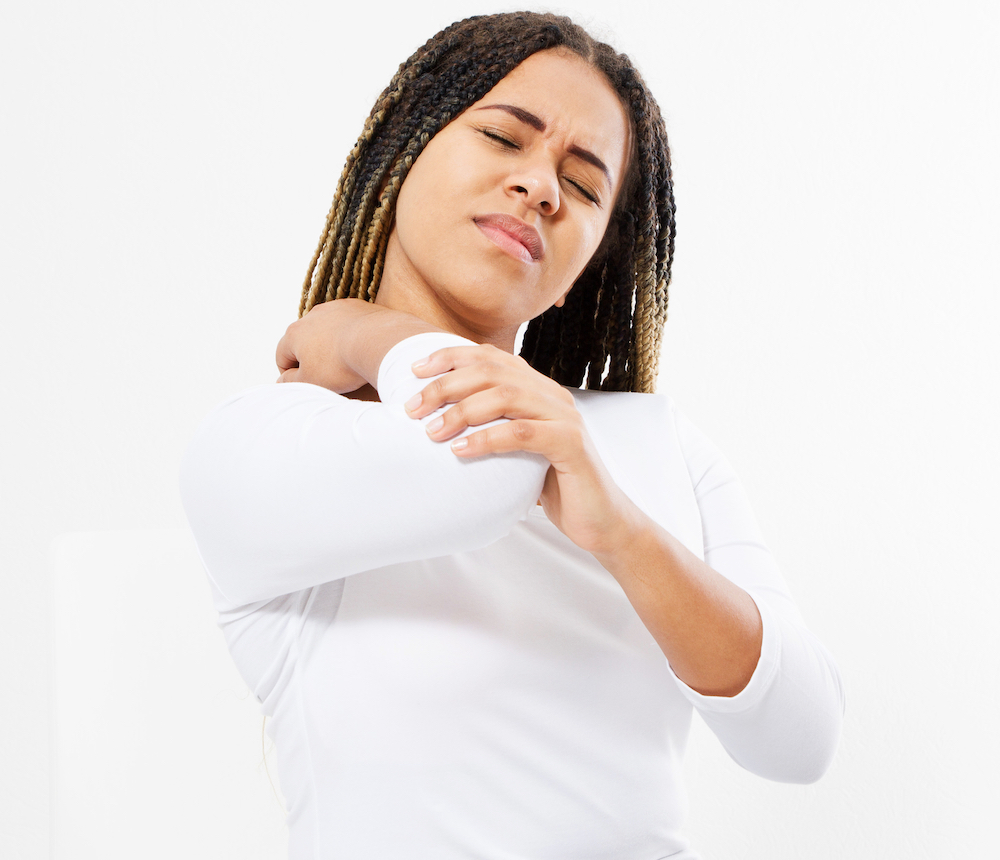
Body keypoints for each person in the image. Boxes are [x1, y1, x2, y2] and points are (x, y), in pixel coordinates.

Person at [180, 11, 844, 859]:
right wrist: (363, 335)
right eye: (503, 137)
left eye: (585, 184)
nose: (540, 187)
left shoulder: (656, 442)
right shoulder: (265, 440)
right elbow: (482, 473)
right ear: (403, 152)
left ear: (586, 268)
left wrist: (626, 534)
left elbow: (801, 738)